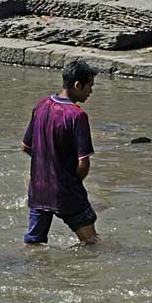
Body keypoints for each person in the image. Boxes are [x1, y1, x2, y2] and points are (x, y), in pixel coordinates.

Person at [21, 59, 100, 246]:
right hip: (65, 191)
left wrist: (48, 164)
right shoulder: (77, 116)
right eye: (89, 86)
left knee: (33, 244)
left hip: (39, 190)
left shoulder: (41, 106)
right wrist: (71, 182)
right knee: (92, 243)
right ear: (77, 85)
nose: (91, 92)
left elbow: (26, 146)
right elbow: (83, 163)